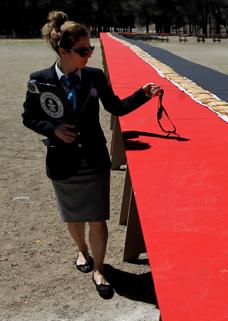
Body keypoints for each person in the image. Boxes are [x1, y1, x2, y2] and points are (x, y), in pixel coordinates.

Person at [22, 10, 161, 298]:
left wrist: (142, 94)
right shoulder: (40, 80)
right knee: (73, 216)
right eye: (83, 50)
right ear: (64, 50)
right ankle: (82, 251)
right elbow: (29, 116)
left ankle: (99, 268)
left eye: (91, 48)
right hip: (61, 159)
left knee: (97, 217)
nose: (89, 54)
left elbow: (116, 107)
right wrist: (53, 129)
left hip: (94, 160)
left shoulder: (95, 77)